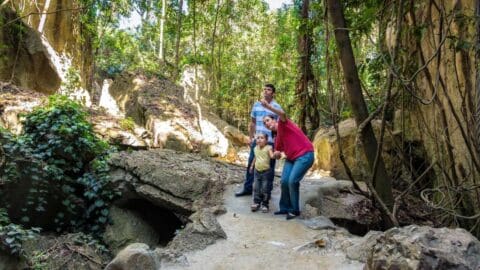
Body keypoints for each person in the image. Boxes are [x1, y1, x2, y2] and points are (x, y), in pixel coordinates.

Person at [260, 101, 314, 220]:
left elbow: (283, 114)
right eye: (264, 123)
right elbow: (277, 154)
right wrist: (275, 154)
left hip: (305, 154)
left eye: (268, 120)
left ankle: (295, 210)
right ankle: (284, 208)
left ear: (274, 120)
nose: (266, 124)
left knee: (292, 181)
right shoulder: (276, 138)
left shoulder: (283, 124)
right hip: (291, 158)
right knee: (284, 181)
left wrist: (268, 107)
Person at [235, 84, 283, 197]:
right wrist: (250, 138)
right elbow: (253, 122)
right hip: (257, 140)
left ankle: (266, 193)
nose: (266, 91)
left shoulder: (277, 107)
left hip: (270, 141)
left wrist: (278, 143)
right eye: (265, 89)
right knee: (251, 163)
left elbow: (280, 126)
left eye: (269, 90)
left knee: (269, 168)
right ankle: (247, 188)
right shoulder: (256, 105)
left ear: (273, 93)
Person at [249, 132, 274, 213]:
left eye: (262, 138)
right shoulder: (255, 148)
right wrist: (252, 166)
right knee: (256, 188)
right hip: (257, 171)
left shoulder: (268, 148)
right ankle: (256, 203)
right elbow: (255, 157)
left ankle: (265, 204)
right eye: (258, 138)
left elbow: (272, 156)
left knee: (265, 189)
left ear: (266, 140)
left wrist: (276, 154)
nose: (259, 139)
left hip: (266, 172)